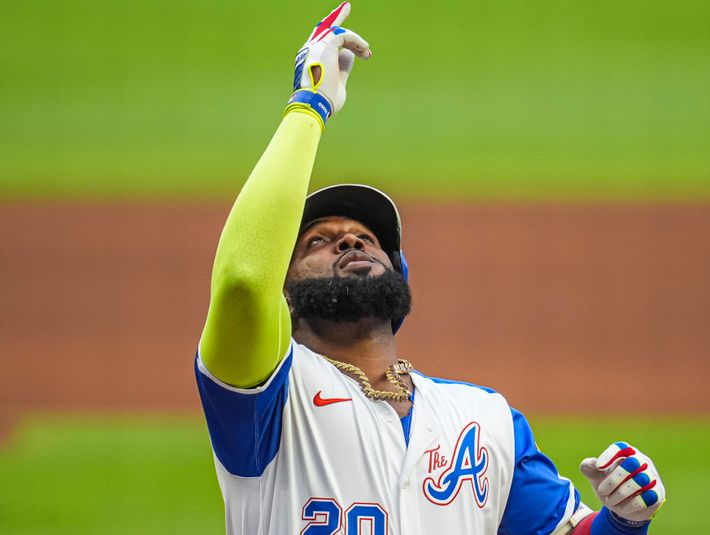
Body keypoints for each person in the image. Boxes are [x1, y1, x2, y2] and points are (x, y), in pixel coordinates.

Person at [194, 3, 666, 534]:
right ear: (281, 296)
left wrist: (624, 520)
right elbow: (243, 282)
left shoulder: (485, 421)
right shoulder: (268, 399)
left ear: (400, 275)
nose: (349, 239)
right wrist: (309, 106)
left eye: (367, 238)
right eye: (318, 242)